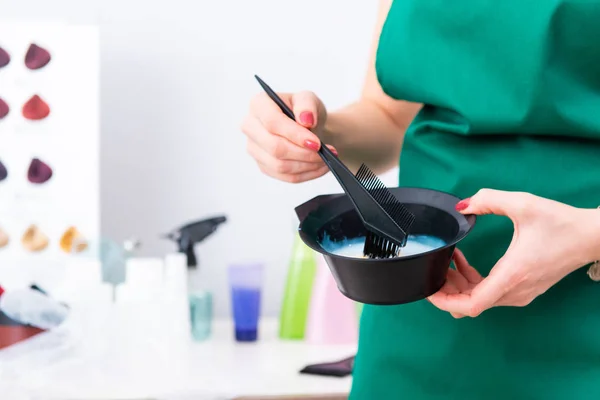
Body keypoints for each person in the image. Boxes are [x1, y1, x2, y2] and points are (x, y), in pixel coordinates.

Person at [241, 0, 600, 398]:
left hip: (585, 313)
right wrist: (317, 135)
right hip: (419, 309)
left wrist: (589, 234)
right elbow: (389, 118)